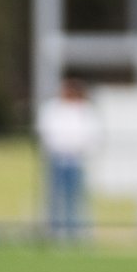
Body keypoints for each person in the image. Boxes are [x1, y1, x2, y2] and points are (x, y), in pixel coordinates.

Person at [36, 78, 101, 243]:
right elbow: (46, 132)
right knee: (54, 197)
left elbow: (92, 135)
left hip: (76, 160)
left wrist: (81, 149)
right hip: (57, 158)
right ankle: (55, 233)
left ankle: (75, 233)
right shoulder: (52, 108)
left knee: (75, 198)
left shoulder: (85, 110)